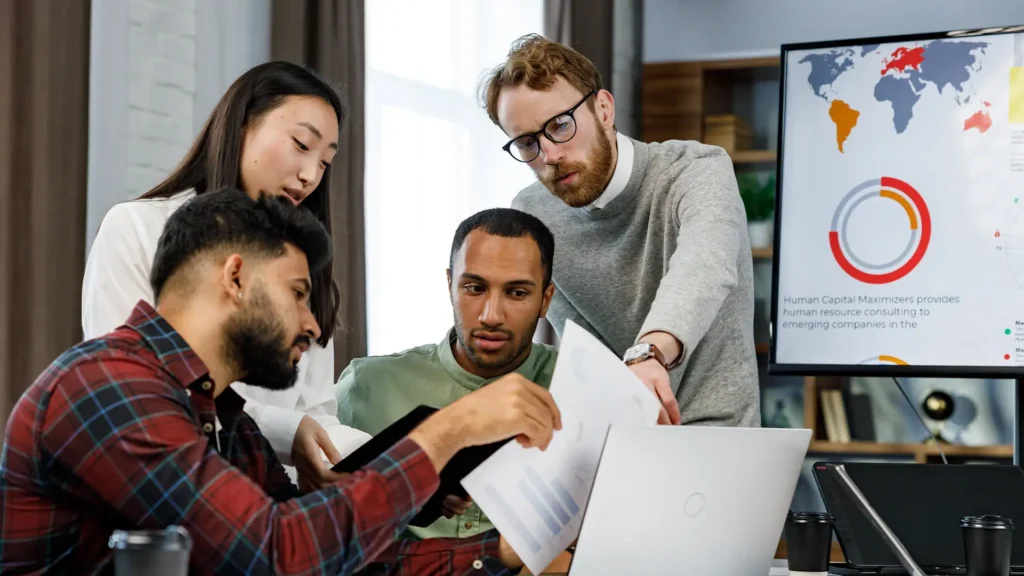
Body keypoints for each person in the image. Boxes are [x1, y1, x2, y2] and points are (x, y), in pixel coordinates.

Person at [0, 189, 561, 575]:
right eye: (297, 293)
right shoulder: (107, 387)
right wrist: (449, 430)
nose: (313, 326)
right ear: (236, 278)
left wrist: (504, 554)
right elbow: (277, 555)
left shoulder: (226, 420)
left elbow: (334, 558)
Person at [81, 61, 371, 491]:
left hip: (274, 500)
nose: (310, 175)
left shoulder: (304, 268)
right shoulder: (137, 228)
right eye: (300, 144)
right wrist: (287, 432)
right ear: (241, 127)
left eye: (325, 162)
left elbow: (316, 417)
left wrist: (392, 460)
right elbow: (134, 392)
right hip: (173, 487)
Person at [479, 34, 760, 428]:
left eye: (561, 125)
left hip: (720, 438)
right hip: (621, 436)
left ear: (604, 109)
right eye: (528, 142)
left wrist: (648, 354)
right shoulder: (532, 212)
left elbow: (705, 266)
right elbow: (582, 347)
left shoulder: (697, 170)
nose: (550, 156)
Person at [335, 207, 558, 540]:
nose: (491, 315)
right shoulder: (367, 385)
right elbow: (326, 518)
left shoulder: (576, 387)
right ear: (450, 285)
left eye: (517, 293)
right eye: (474, 288)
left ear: (546, 299)